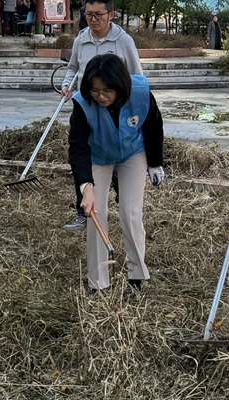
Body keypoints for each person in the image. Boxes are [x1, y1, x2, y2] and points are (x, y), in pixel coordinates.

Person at [69, 54, 164, 297]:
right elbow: (78, 146)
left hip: (133, 151)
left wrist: (154, 163)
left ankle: (137, 277)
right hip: (98, 155)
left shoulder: (140, 93)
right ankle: (98, 283)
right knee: (95, 213)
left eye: (108, 90)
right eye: (95, 90)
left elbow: (153, 126)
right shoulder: (82, 104)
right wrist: (85, 187)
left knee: (131, 213)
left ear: (120, 86)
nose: (101, 96)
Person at [61, 0, 143, 233]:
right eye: (88, 15)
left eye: (98, 15)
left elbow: (137, 77)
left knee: (118, 157)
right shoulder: (81, 40)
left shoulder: (123, 41)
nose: (93, 20)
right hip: (88, 107)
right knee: (85, 158)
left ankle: (123, 200)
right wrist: (67, 85)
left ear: (111, 15)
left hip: (117, 110)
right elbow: (74, 68)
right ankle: (83, 213)